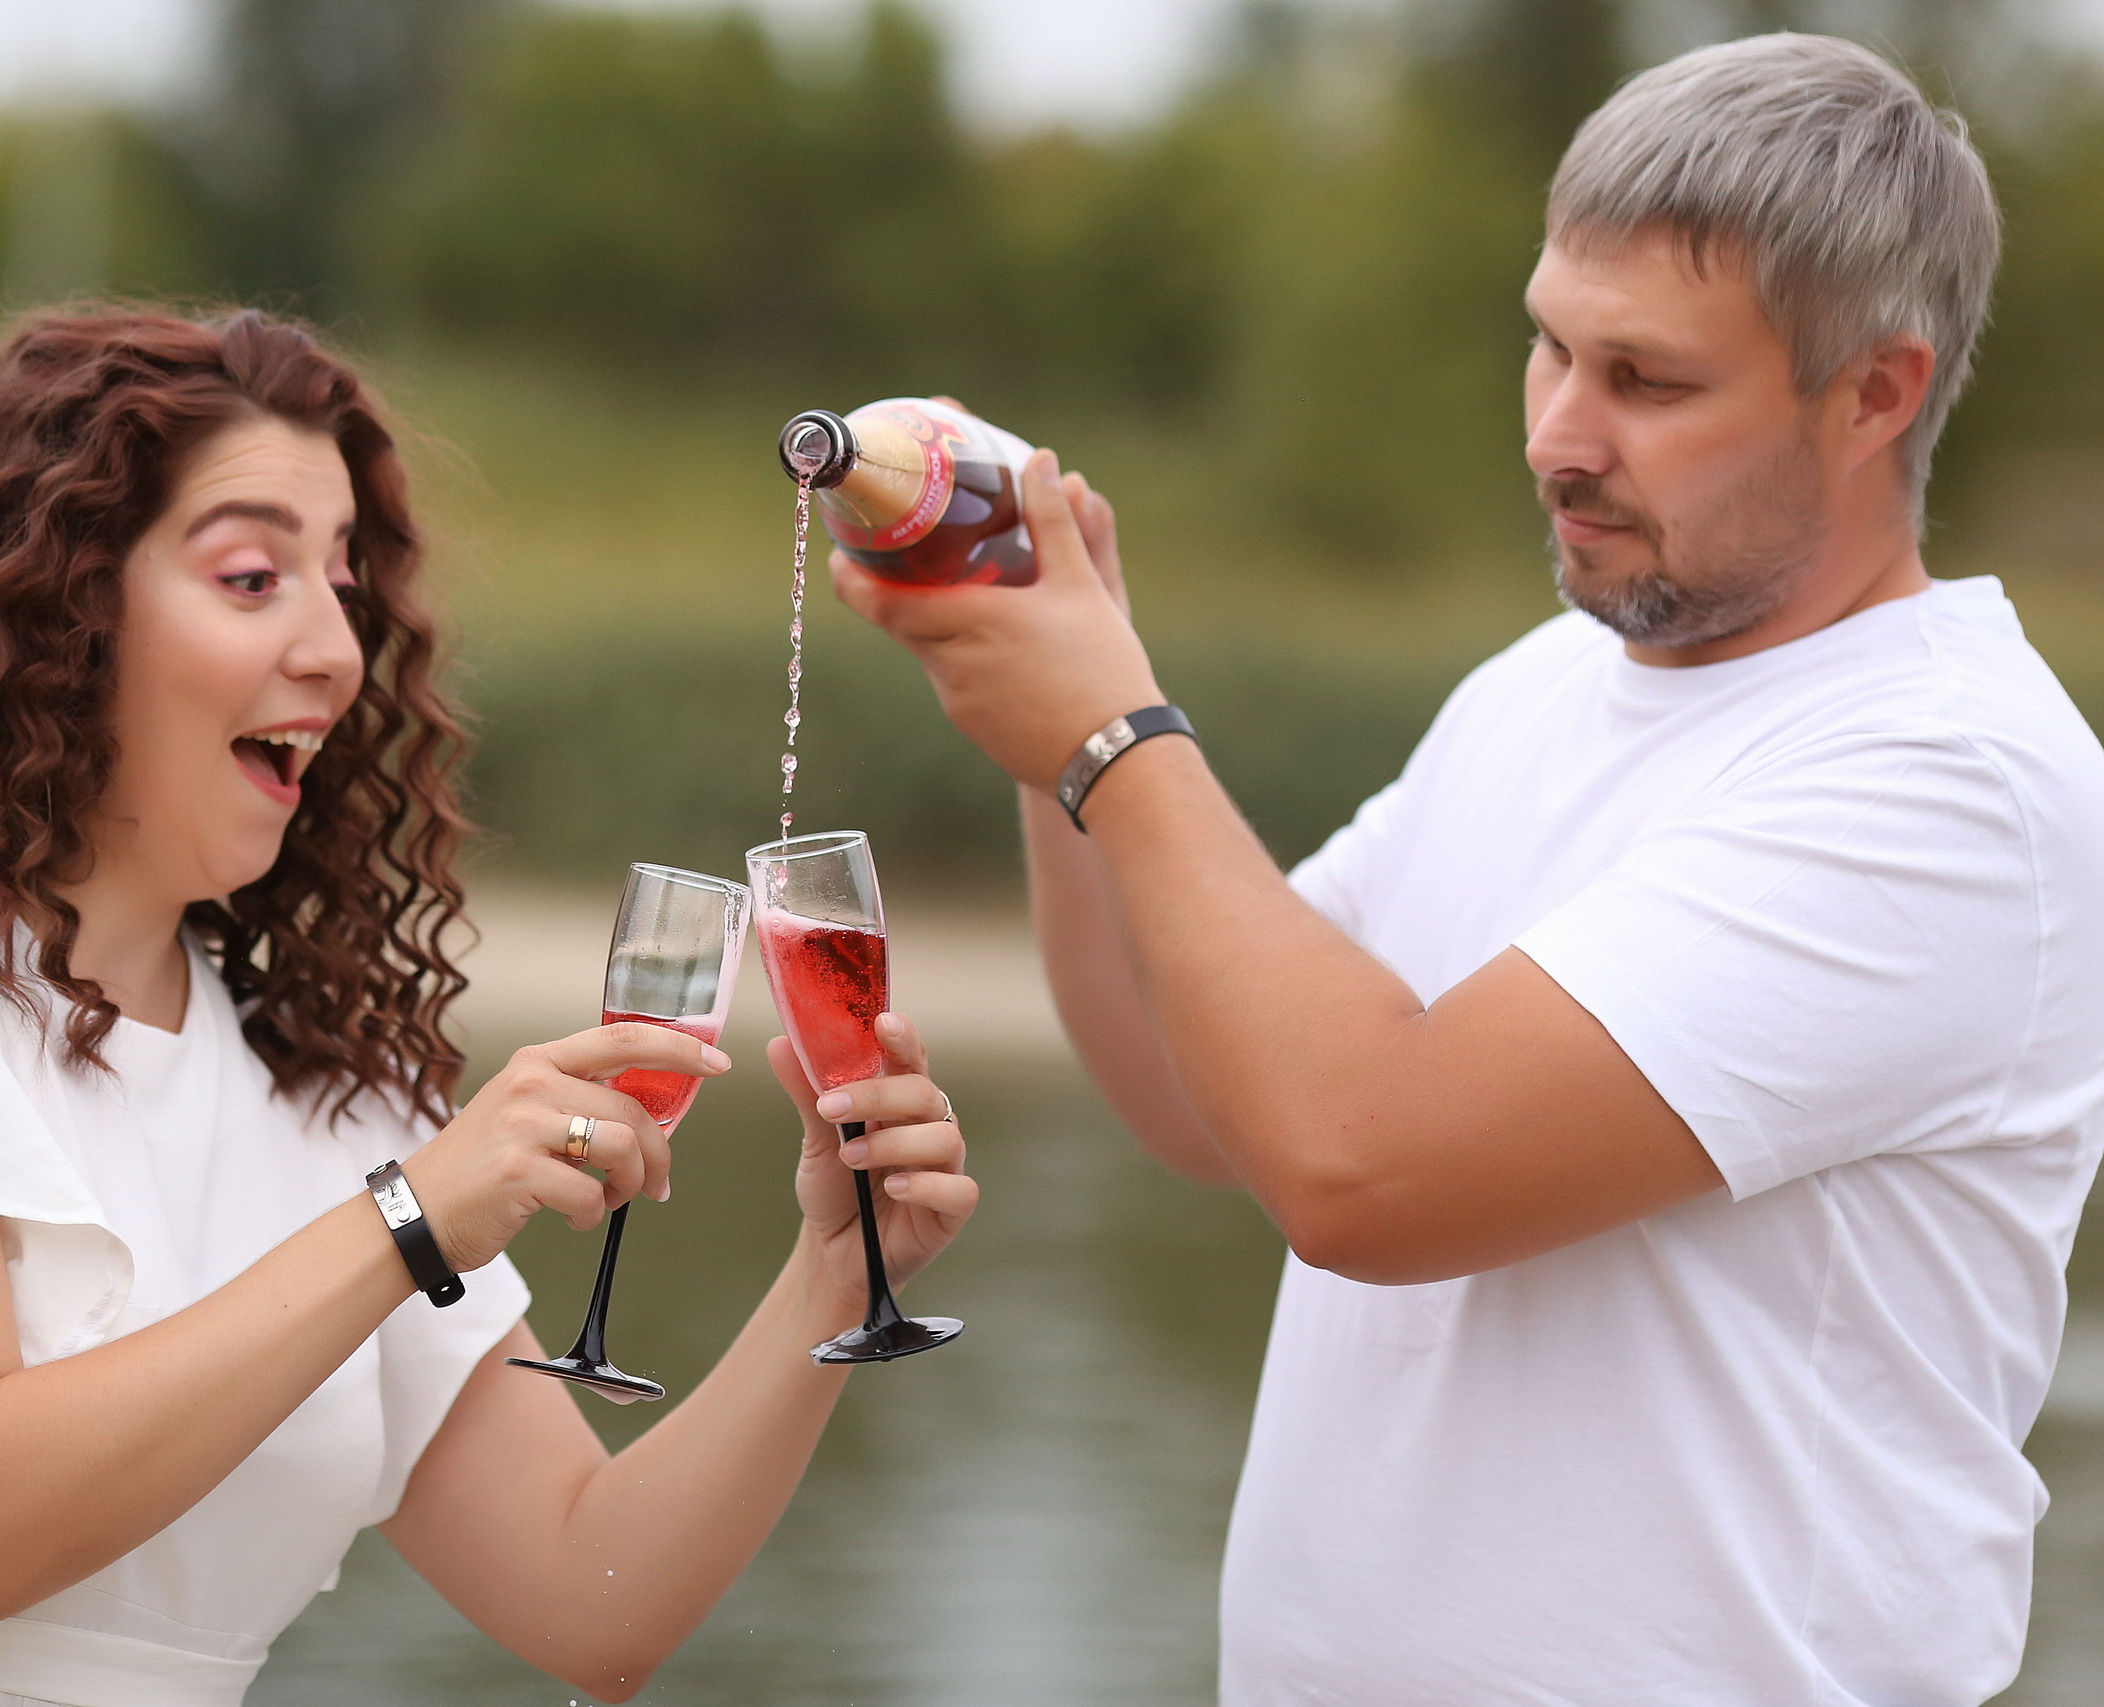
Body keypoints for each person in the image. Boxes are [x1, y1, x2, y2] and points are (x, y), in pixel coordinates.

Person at [839, 33, 2104, 1706]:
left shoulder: (1954, 785)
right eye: (1548, 348)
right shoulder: (1544, 686)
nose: (1559, 437)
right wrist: (1057, 691)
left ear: (1876, 390)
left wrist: (1112, 739)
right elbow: (1195, 1095)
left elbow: (1366, 1173)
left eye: (1647, 383)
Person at [0, 307, 978, 1706]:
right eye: (250, 579)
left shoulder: (325, 1100)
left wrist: (832, 1273)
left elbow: (589, 1596)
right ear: (51, 611)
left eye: (345, 587)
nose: (335, 652)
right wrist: (406, 1220)